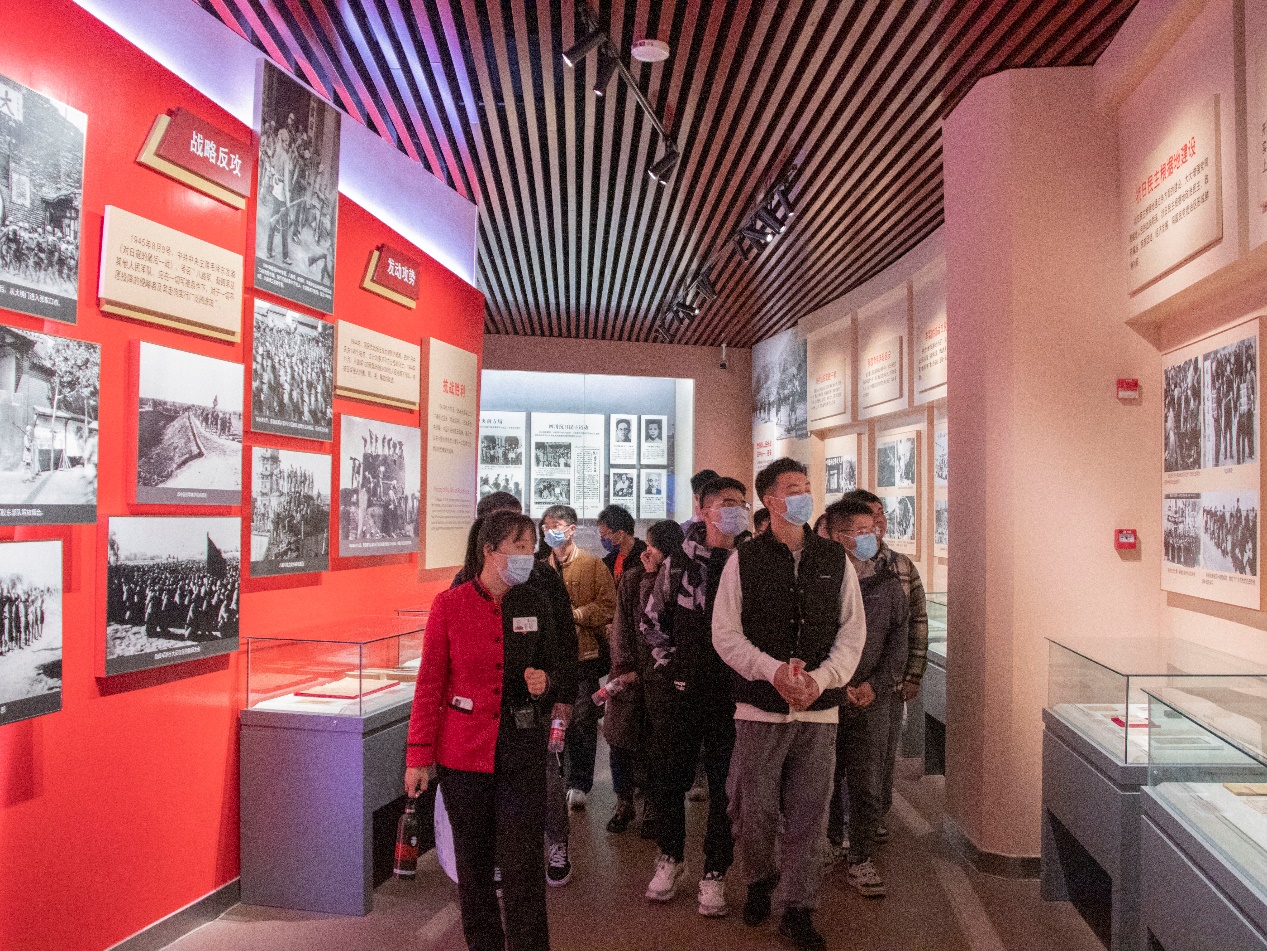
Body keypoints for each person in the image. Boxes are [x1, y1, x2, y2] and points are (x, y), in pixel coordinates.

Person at [712, 457, 866, 951]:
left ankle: (798, 906)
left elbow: (852, 632)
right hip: (760, 708)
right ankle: (761, 879)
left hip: (819, 712)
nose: (803, 495)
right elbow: (725, 634)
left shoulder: (834, 558)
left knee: (809, 814)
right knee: (752, 809)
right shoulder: (745, 559)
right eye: (793, 488)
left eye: (806, 487)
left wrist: (821, 680)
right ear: (770, 499)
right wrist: (772, 670)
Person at [404, 511, 562, 951]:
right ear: (490, 551)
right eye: (519, 546)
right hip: (463, 756)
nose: (529, 555)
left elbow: (557, 666)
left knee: (522, 867)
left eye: (532, 547)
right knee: (473, 869)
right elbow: (429, 685)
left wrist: (545, 682)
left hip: (521, 751)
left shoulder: (536, 602)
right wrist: (418, 757)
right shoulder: (449, 605)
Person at [453, 491, 580, 886]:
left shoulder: (541, 579)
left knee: (545, 775)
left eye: (524, 537)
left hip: (533, 705)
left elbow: (564, 640)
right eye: (510, 535)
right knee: (489, 784)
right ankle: (497, 854)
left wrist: (562, 693)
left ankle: (556, 842)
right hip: (483, 710)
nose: (521, 545)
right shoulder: (463, 584)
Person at [641, 477, 749, 915]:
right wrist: (672, 667)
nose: (735, 510)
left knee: (726, 786)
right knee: (669, 778)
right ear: (703, 510)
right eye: (726, 502)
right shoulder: (678, 563)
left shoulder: (752, 560)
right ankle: (671, 856)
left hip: (735, 694)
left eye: (741, 503)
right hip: (683, 691)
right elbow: (652, 622)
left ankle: (715, 872)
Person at [824, 498, 909, 897]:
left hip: (872, 698)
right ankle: (828, 843)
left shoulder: (888, 584)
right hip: (828, 698)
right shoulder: (821, 582)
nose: (868, 537)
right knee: (824, 779)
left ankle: (860, 856)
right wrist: (836, 686)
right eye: (858, 531)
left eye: (871, 529)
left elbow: (898, 640)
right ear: (836, 536)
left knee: (867, 783)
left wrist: (876, 684)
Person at [845, 489, 929, 840]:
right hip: (843, 680)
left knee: (881, 755)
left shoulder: (901, 566)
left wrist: (913, 673)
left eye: (879, 514)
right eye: (867, 518)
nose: (876, 522)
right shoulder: (837, 567)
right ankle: (844, 825)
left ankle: (876, 817)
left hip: (887, 681)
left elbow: (915, 623)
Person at [604, 519, 685, 835]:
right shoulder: (632, 578)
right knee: (620, 740)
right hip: (630, 674)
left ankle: (653, 805)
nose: (645, 552)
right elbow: (622, 626)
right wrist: (624, 667)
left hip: (662, 677)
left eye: (651, 546)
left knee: (656, 745)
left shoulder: (681, 579)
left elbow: (663, 620)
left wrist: (654, 577)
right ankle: (623, 802)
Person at [540, 506, 616, 824]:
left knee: (582, 719)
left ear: (571, 529)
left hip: (583, 654)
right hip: (547, 658)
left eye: (556, 525)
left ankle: (580, 781)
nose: (550, 531)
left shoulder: (592, 565)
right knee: (551, 718)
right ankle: (555, 776)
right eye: (546, 526)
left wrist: (576, 615)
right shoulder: (539, 567)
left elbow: (608, 606)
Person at [598, 504, 646, 582]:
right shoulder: (612, 558)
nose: (602, 538)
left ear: (620, 534)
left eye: (604, 534)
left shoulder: (645, 558)